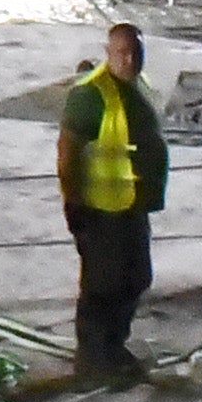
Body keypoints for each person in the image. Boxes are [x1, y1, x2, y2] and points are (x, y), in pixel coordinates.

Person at [58, 22, 170, 379]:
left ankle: (114, 347)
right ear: (108, 54)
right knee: (102, 285)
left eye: (136, 52)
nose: (130, 60)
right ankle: (92, 358)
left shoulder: (140, 88)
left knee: (135, 278)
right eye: (122, 53)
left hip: (132, 205)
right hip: (100, 209)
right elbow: (67, 153)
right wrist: (73, 204)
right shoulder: (90, 95)